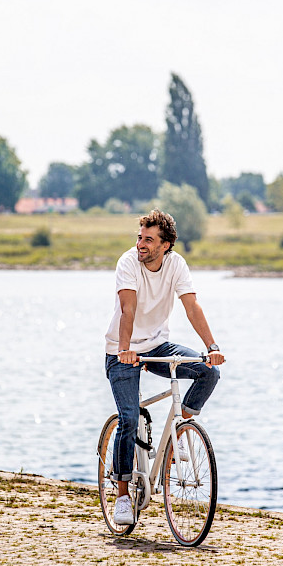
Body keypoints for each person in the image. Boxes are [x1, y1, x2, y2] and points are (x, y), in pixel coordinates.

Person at [104, 209, 225, 526]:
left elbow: (192, 307)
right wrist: (126, 349)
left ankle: (180, 430)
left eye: (148, 239)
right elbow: (128, 308)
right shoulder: (128, 262)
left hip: (158, 347)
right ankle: (121, 497)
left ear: (166, 244)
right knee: (129, 419)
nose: (141, 244)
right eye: (140, 237)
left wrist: (212, 348)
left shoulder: (176, 265)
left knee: (208, 372)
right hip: (123, 350)